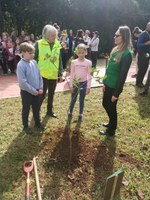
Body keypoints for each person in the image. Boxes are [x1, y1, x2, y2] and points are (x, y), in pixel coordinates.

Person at [100, 26, 132, 136]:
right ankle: (111, 123)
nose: (115, 37)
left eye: (117, 35)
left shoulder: (127, 54)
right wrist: (104, 82)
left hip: (114, 86)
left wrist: (117, 93)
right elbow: (108, 68)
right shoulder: (115, 49)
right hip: (108, 84)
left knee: (111, 107)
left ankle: (112, 130)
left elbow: (123, 76)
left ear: (124, 37)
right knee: (105, 103)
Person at [34, 25, 62, 118]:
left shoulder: (57, 44)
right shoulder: (38, 44)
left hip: (53, 74)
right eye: (53, 35)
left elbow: (59, 59)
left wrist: (60, 72)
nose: (55, 37)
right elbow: (33, 59)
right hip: (42, 74)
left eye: (56, 35)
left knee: (51, 94)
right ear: (47, 36)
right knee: (41, 95)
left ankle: (49, 111)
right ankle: (36, 111)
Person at [16, 42, 44, 134]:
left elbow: (39, 76)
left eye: (33, 53)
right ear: (23, 52)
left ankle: (37, 123)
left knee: (36, 108)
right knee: (26, 109)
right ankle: (26, 126)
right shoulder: (21, 65)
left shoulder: (34, 62)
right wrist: (32, 91)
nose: (32, 55)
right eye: (30, 53)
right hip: (27, 92)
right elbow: (22, 82)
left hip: (36, 91)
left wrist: (40, 87)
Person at [68, 43, 92, 121]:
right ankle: (70, 112)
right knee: (73, 98)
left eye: (83, 52)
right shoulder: (74, 62)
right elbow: (71, 74)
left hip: (84, 83)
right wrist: (71, 85)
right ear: (76, 53)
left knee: (81, 99)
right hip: (75, 83)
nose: (81, 54)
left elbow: (89, 75)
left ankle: (80, 114)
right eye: (79, 53)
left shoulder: (88, 63)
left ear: (86, 52)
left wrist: (88, 87)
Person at [136, 22, 150, 88]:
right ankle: (138, 83)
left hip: (147, 55)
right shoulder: (143, 34)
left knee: (145, 68)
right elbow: (138, 45)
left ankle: (140, 82)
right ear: (147, 26)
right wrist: (146, 43)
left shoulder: (148, 34)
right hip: (142, 55)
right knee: (142, 68)